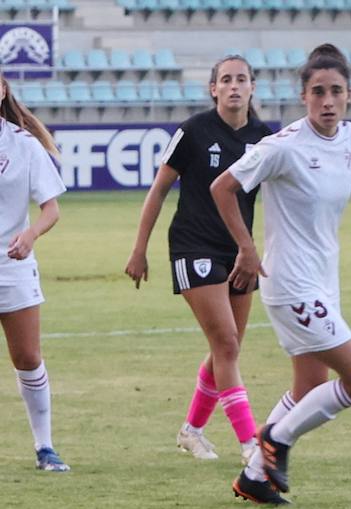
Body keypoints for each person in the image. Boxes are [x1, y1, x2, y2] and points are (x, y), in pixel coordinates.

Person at [210, 44, 351, 505]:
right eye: (318, 92)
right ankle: (276, 441)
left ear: (349, 95)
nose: (328, 101)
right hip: (289, 283)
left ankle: (253, 477)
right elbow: (222, 187)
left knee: (308, 386)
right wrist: (246, 248)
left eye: (336, 92)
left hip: (324, 282)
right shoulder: (283, 147)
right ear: (303, 96)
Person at [125, 54, 273, 464]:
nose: (234, 86)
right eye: (225, 79)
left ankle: (191, 430)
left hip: (240, 252)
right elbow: (158, 189)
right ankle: (250, 444)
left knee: (227, 349)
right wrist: (139, 249)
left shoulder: (265, 138)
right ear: (213, 89)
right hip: (194, 247)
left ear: (252, 87)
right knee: (225, 342)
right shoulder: (193, 131)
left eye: (242, 79)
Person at [0, 70, 68, 472]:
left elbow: (51, 209)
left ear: (3, 89)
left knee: (27, 357)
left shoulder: (23, 145)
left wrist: (30, 235)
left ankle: (45, 447)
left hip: (13, 264)